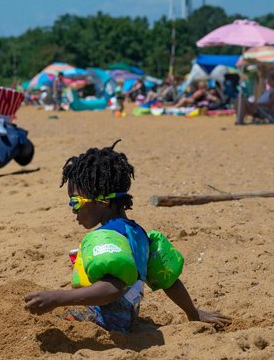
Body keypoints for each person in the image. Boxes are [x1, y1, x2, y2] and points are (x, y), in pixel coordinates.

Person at [23, 141, 231, 332]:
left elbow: (111, 289)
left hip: (100, 322)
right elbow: (169, 281)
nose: (72, 209)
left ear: (102, 202)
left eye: (75, 202)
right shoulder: (138, 234)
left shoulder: (106, 237)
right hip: (126, 321)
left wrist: (56, 298)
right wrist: (193, 314)